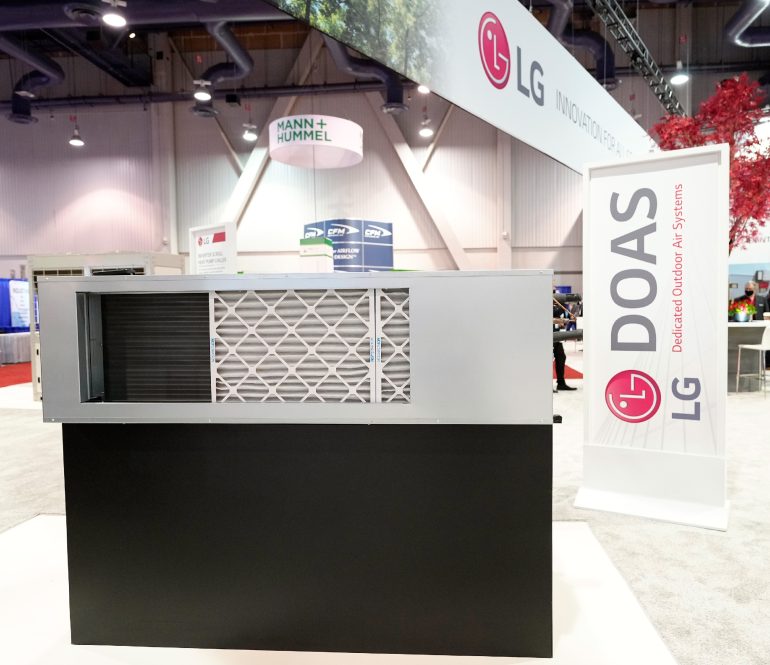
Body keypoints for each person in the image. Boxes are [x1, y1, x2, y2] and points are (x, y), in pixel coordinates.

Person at [553, 297, 576, 391]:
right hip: (548, 336)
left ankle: (561, 383)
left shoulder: (559, 307)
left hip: (556, 336)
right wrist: (560, 321)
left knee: (561, 357)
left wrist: (567, 321)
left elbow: (559, 320)